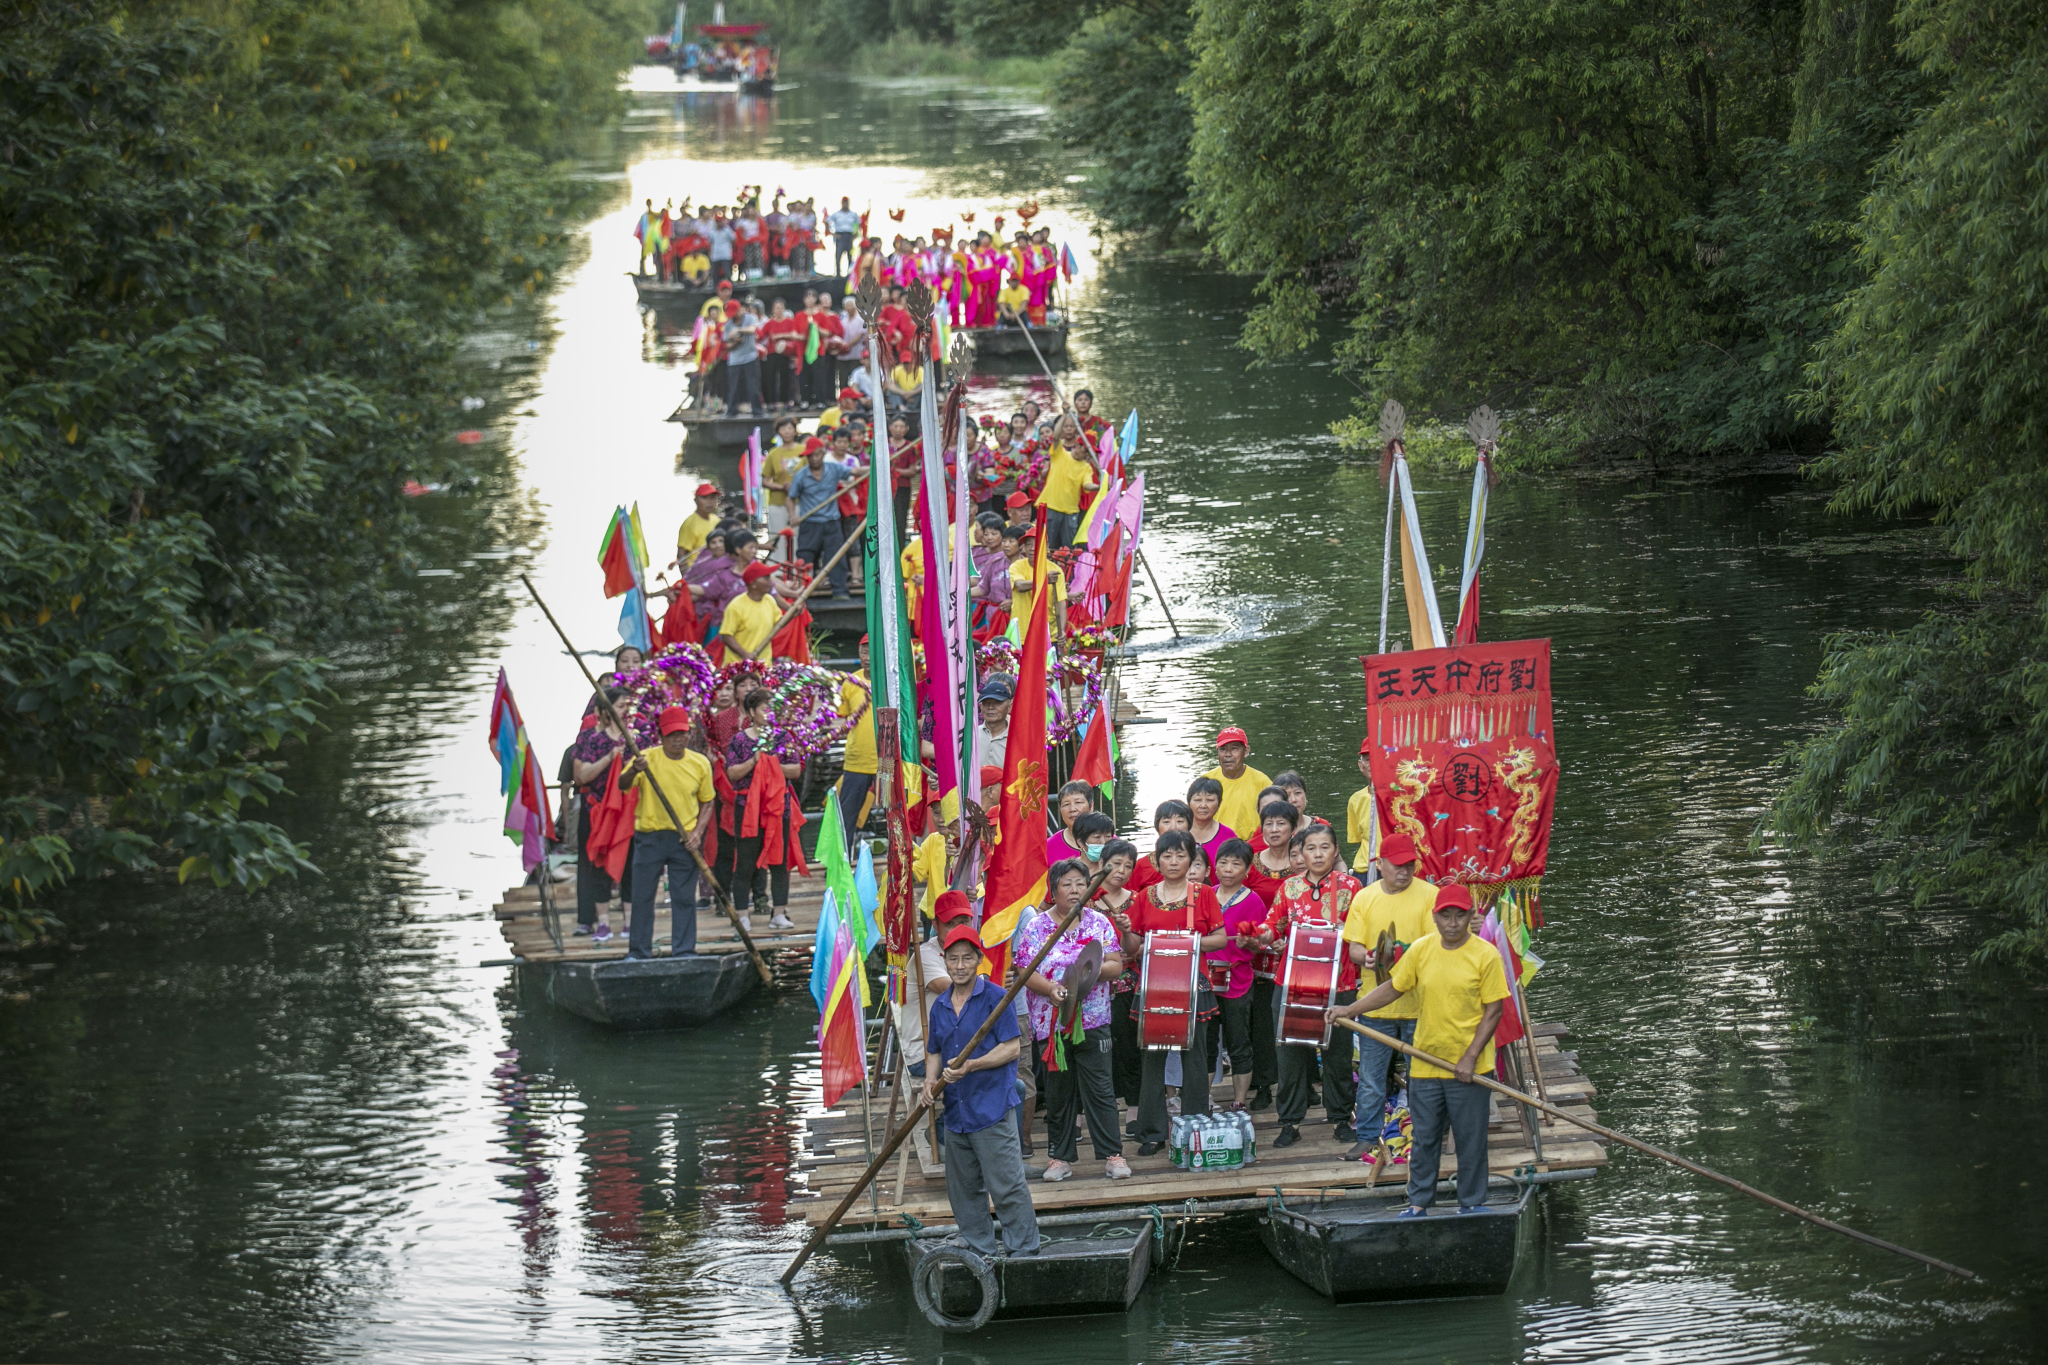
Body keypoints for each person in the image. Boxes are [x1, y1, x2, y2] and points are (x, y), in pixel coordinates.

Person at [1329, 883, 1507, 1216]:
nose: (1452, 923)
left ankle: (1471, 1204)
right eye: (1445, 916)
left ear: (1470, 917)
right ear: (1435, 917)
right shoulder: (1422, 950)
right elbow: (1392, 988)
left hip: (1468, 1067)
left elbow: (1494, 1011)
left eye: (1459, 915)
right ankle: (1419, 1204)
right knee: (1424, 1139)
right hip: (1425, 1064)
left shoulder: (1486, 955)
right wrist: (1349, 1011)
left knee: (1470, 1141)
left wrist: (1469, 1058)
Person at [925, 917, 1041, 1258]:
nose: (960, 966)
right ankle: (979, 1248)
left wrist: (973, 1064)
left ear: (979, 960)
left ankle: (1023, 1250)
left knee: (1006, 1185)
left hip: (991, 1107)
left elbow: (1011, 1049)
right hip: (956, 1112)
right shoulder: (941, 1004)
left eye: (967, 958)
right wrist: (930, 1082)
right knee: (963, 1190)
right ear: (945, 961)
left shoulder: (996, 998)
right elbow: (934, 1050)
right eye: (953, 959)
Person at [1018, 859, 1131, 1181]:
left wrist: (1087, 976)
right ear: (1053, 891)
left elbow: (1115, 964)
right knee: (1058, 1092)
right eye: (1066, 884)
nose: (1074, 890)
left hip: (1094, 1020)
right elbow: (1025, 971)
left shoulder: (1099, 923)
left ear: (1089, 889)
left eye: (1080, 883)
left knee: (1100, 1089)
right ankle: (1060, 1157)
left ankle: (1113, 1155)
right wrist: (1053, 989)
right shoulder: (1037, 926)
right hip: (1050, 1023)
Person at [1115, 831, 1225, 1156]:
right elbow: (1132, 949)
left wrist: (1181, 943)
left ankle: (1194, 1129)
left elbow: (1220, 939)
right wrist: (1124, 931)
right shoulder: (1144, 896)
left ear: (1191, 859)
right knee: (1152, 1057)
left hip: (1193, 985)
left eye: (1180, 855)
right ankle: (1152, 1131)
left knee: (1194, 1057)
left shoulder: (1203, 894)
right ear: (1157, 860)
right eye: (1167, 856)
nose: (1174, 862)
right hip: (1153, 987)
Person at [1255, 823, 1363, 1147]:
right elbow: (1273, 924)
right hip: (1293, 982)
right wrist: (1261, 934)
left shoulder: (1352, 886)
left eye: (1324, 847)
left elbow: (1363, 931)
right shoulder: (1288, 888)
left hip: (1339, 981)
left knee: (1338, 1055)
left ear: (1335, 850)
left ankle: (1341, 1118)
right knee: (1289, 1053)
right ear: (1300, 853)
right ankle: (1289, 1122)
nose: (1317, 854)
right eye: (1311, 848)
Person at [1339, 831, 1439, 1163]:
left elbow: (1432, 947)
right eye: (1397, 866)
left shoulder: (1430, 895)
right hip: (1375, 1003)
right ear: (1379, 864)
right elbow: (1353, 947)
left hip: (1418, 1004)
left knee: (1421, 1074)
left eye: (1410, 865)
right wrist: (1365, 958)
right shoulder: (1364, 898)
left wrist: (1399, 953)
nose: (1405, 871)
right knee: (1370, 1078)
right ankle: (1367, 1136)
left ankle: (1425, 1133)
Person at [618, 706, 715, 960]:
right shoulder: (646, 758)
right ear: (661, 736)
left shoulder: (700, 763)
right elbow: (622, 784)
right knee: (643, 897)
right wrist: (634, 770)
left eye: (682, 734)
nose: (677, 740)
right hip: (650, 838)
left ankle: (684, 950)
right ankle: (638, 952)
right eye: (672, 735)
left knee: (684, 897)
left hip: (684, 838)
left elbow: (708, 801)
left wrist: (698, 832)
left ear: (689, 734)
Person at [724, 687, 803, 929]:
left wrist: (771, 763)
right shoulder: (739, 739)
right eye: (764, 708)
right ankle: (742, 914)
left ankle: (779, 912)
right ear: (751, 711)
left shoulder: (783, 738)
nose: (769, 713)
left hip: (778, 807)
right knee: (745, 862)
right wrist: (754, 761)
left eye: (773, 709)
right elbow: (732, 773)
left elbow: (795, 770)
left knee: (779, 861)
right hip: (748, 807)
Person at [569, 689, 635, 941]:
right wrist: (609, 758)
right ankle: (602, 923)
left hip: (629, 811)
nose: (625, 711)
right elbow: (581, 776)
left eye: (628, 705)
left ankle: (629, 921)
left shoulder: (638, 736)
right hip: (597, 810)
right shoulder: (590, 738)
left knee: (630, 863)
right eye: (620, 706)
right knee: (597, 863)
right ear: (606, 711)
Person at [1087, 839, 1144, 1124]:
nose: (1122, 870)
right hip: (1092, 985)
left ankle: (1133, 1106)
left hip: (1126, 982)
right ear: (1101, 863)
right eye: (1116, 864)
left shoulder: (1137, 900)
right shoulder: (1084, 900)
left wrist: (1127, 935)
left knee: (1129, 1046)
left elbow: (1139, 947)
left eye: (1128, 866)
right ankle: (1094, 1109)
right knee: (1094, 1048)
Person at [1208, 838, 1266, 1110]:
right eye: (1223, 862)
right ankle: (1203, 1098)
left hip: (1237, 980)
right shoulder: (1205, 895)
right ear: (1214, 865)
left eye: (1236, 864)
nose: (1228, 869)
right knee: (1206, 1042)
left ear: (1247, 870)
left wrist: (1250, 943)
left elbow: (1259, 946)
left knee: (1238, 1041)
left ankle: (1239, 1101)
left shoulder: (1253, 901)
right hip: (1205, 981)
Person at [787, 439, 856, 598]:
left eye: (816, 455)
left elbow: (855, 472)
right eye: (810, 456)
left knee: (836, 557)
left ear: (823, 453)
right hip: (810, 523)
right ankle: (800, 592)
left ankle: (839, 591)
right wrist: (792, 515)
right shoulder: (801, 476)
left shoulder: (833, 469)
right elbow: (790, 498)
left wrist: (876, 467)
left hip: (832, 522)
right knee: (804, 557)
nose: (814, 459)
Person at [1034, 414, 1100, 550]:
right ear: (1078, 445)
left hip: (1071, 511)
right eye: (1086, 450)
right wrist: (1064, 415)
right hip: (1051, 506)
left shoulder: (1086, 467)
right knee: (1048, 545)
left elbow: (1087, 485)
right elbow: (1056, 437)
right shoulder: (1061, 454)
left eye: (1090, 452)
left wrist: (1099, 487)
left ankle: (1069, 571)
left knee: (1069, 548)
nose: (1087, 454)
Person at [836, 636, 877, 832]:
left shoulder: (892, 682)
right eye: (864, 652)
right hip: (857, 759)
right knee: (847, 817)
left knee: (895, 815)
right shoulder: (850, 682)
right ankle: (844, 862)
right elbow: (843, 719)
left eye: (872, 652)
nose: (868, 657)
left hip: (886, 761)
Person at [1203, 727, 1273, 836]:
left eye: (1234, 749)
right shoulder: (1206, 781)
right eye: (1223, 749)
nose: (1228, 754)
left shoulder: (1262, 782)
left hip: (1252, 847)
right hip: (1216, 845)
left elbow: (1277, 818)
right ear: (1217, 752)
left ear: (1246, 751)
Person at [1002, 524, 1067, 639]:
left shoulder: (1056, 571)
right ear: (1024, 548)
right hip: (1021, 632)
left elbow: (1061, 603)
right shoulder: (1017, 566)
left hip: (1047, 632)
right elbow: (1020, 586)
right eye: (1028, 545)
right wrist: (1045, 580)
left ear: (1046, 546)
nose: (1032, 548)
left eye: (1037, 544)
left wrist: (1061, 630)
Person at [718, 562, 784, 662]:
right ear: (753, 584)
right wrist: (746, 655)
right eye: (766, 578)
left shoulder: (769, 600)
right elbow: (727, 636)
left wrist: (794, 613)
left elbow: (779, 623)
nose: (771, 582)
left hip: (764, 666)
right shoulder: (735, 606)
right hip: (739, 669)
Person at [1184, 776, 1235, 875]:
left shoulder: (1228, 836)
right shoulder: (1179, 833)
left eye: (1210, 800)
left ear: (1219, 803)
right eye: (1198, 800)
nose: (1203, 805)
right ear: (1188, 802)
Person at [1345, 739, 1381, 878]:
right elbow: (1358, 839)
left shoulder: (1400, 795)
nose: (1373, 763)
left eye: (1378, 758)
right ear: (1360, 766)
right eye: (1367, 760)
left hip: (1395, 866)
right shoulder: (1355, 799)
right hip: (1364, 868)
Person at [723, 299, 763, 417]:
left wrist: (738, 330)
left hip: (750, 358)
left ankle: (757, 412)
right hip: (734, 360)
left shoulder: (750, 318)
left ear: (739, 310)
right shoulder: (728, 324)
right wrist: (735, 342)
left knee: (753, 387)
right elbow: (727, 346)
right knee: (733, 388)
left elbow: (752, 330)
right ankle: (731, 412)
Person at [1045, 780, 1098, 863]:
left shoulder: (1110, 842)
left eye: (1078, 802)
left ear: (1091, 806)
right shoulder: (1048, 847)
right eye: (1066, 804)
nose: (1072, 809)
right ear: (1060, 810)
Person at [974, 675, 1013, 771]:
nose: (991, 707)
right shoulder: (971, 735)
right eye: (986, 703)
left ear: (1009, 707)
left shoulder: (1017, 738)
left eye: (997, 702)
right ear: (981, 707)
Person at [677, 482, 722, 562]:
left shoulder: (717, 520)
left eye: (712, 497)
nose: (709, 502)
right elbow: (681, 555)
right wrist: (687, 574)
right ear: (696, 500)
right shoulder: (690, 524)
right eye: (705, 497)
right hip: (698, 571)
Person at [827, 197, 860, 275]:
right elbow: (827, 221)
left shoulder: (853, 214)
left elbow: (860, 224)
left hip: (849, 236)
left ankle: (850, 273)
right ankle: (838, 273)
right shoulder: (836, 214)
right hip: (840, 236)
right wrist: (832, 233)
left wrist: (856, 234)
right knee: (838, 255)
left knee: (850, 255)